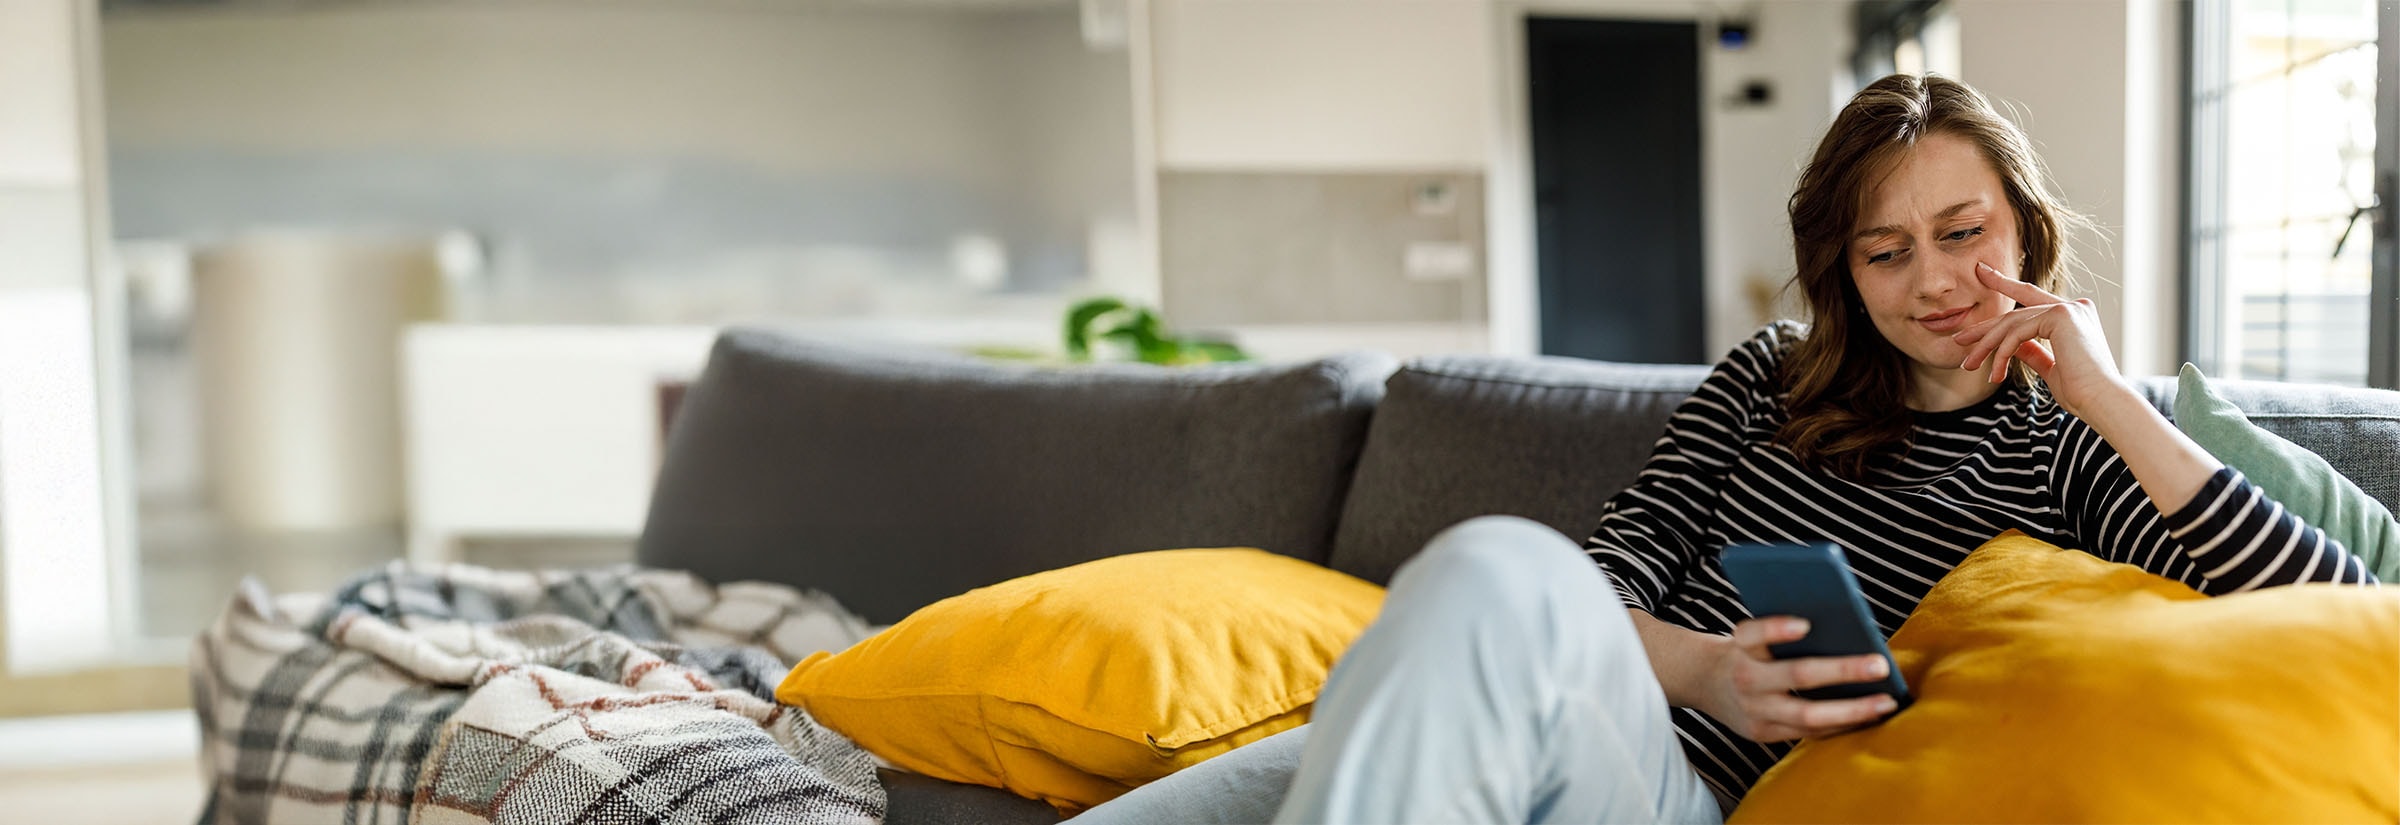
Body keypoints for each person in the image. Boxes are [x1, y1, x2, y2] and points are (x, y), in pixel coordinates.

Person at [1072, 73, 2376, 825]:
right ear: (1843, 267)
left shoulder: (2075, 454)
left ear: (2028, 232)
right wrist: (1706, 670)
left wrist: (2113, 397)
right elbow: (1608, 579)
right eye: (1886, 249)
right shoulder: (1768, 374)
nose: (1935, 281)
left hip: (1681, 803)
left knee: (1489, 570)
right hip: (1576, 708)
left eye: (1966, 231)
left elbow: (2333, 616)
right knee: (1483, 594)